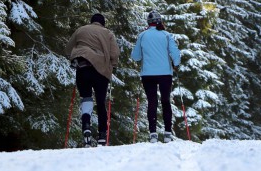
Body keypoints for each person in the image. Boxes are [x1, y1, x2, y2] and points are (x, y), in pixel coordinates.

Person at [65, 13, 120, 147]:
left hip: (83, 67)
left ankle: (86, 126)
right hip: (101, 70)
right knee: (100, 102)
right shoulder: (108, 33)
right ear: (103, 23)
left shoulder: (81, 30)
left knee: (86, 98)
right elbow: (115, 54)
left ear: (91, 22)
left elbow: (68, 49)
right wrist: (113, 64)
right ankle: (102, 135)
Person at [131, 10, 181, 143]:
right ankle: (167, 133)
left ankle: (153, 133)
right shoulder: (166, 35)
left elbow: (135, 57)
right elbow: (175, 52)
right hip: (165, 73)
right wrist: (176, 64)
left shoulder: (143, 35)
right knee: (166, 101)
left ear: (148, 22)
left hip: (148, 74)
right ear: (160, 21)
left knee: (152, 102)